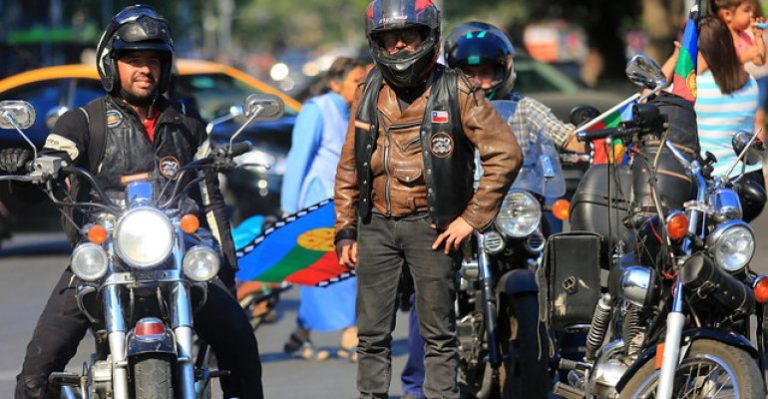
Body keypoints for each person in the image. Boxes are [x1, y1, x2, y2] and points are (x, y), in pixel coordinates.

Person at [0, 5, 262, 398]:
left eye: (153, 60)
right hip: (104, 252)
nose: (145, 69)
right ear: (112, 64)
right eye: (134, 60)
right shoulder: (84, 121)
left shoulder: (187, 121)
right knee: (38, 369)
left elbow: (210, 198)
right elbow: (48, 170)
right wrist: (26, 166)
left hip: (178, 250)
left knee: (242, 346)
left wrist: (226, 269)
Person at [333, 1, 523, 397]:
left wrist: (471, 219)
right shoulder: (369, 89)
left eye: (410, 36)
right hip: (376, 227)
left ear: (429, 38)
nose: (400, 47)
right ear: (376, 42)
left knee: (439, 336)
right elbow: (350, 165)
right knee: (371, 336)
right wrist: (346, 230)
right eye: (390, 38)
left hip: (434, 228)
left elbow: (505, 154)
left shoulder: (457, 88)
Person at [399, 21, 584, 399]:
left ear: (504, 70)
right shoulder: (440, 110)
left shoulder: (525, 108)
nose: (481, 82)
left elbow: (565, 136)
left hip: (520, 208)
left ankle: (573, 359)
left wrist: (592, 143)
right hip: (461, 212)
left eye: (488, 72)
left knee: (569, 264)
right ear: (455, 74)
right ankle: (417, 385)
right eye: (471, 73)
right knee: (429, 285)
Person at [280, 57, 368, 361]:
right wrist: (289, 214)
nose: (362, 86)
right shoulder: (316, 110)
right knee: (336, 271)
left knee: (330, 273)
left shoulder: (354, 111)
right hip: (318, 205)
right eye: (357, 80)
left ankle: (301, 333)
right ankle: (351, 335)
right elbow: (297, 162)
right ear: (335, 83)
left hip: (346, 203)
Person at [696, 16, 765, 217]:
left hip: (707, 186)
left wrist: (678, 59)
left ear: (702, 52)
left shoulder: (696, 89)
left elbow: (651, 98)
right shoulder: (750, 83)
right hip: (749, 183)